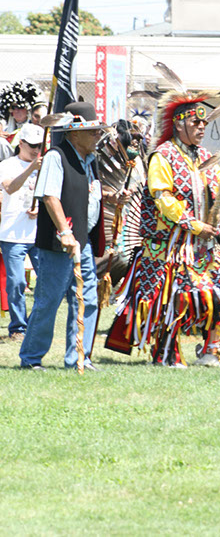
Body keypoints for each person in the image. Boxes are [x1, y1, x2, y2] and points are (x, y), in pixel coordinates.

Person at [106, 90, 220, 369]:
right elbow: (162, 196)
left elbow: (219, 195)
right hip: (169, 248)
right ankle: (165, 355)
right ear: (179, 124)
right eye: (195, 123)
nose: (201, 128)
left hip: (203, 248)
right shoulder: (163, 156)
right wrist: (193, 224)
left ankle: (211, 353)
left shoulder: (205, 156)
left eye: (204, 124)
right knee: (172, 300)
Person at [19, 102, 106, 371]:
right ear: (74, 133)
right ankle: (32, 358)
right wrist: (65, 232)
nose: (97, 137)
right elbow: (50, 196)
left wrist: (113, 197)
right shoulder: (57, 157)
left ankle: (79, 357)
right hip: (60, 243)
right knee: (49, 301)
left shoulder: (90, 161)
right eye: (92, 132)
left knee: (88, 299)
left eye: (97, 132)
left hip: (83, 242)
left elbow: (83, 195)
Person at [0, 124, 43, 340]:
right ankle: (18, 326)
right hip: (12, 234)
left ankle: (37, 325)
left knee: (45, 282)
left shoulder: (44, 165)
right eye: (33, 146)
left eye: (40, 146)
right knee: (16, 282)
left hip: (38, 234)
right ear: (22, 144)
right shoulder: (7, 165)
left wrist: (40, 207)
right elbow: (9, 187)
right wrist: (31, 169)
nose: (37, 150)